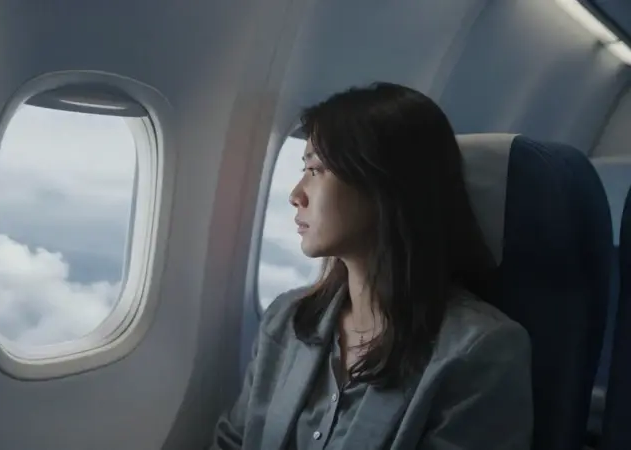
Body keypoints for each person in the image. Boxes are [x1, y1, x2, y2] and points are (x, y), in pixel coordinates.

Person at [209, 82, 533, 450]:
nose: (296, 194)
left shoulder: (480, 351)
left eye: (317, 170)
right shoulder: (287, 320)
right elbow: (233, 443)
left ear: (383, 184)